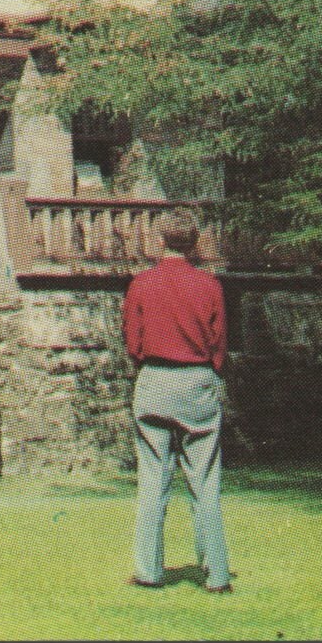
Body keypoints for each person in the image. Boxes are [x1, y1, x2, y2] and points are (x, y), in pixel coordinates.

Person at [122, 216, 233, 593]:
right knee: (205, 482)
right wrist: (211, 373)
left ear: (159, 240)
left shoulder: (141, 284)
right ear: (193, 243)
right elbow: (219, 342)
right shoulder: (209, 285)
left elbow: (132, 339)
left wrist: (147, 363)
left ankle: (148, 571)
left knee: (152, 480)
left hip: (155, 379)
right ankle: (217, 573)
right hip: (197, 381)